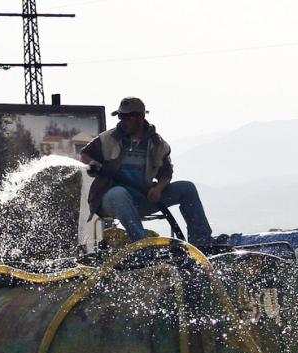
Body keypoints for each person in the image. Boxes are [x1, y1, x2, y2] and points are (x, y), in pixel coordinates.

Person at [80, 96, 218, 248]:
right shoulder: (108, 138)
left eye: (127, 117)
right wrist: (95, 165)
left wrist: (158, 188)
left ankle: (202, 242)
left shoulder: (157, 143)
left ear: (140, 117)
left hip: (143, 198)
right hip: (110, 200)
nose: (123, 121)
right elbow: (84, 154)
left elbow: (166, 173)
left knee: (187, 188)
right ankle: (142, 246)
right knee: (118, 193)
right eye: (120, 116)